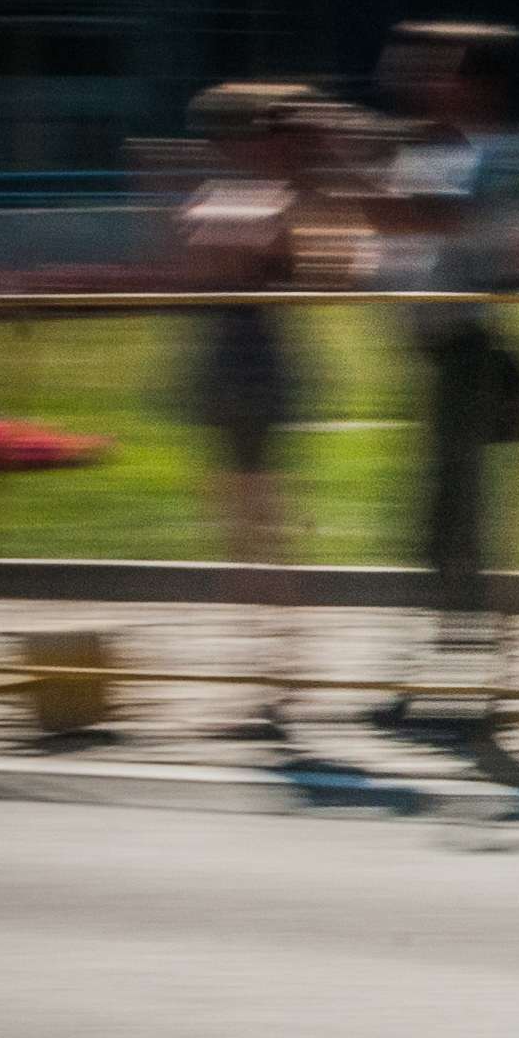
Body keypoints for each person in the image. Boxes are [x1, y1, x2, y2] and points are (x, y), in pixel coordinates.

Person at [369, 22, 519, 732]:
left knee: (463, 525)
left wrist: (338, 171)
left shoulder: (495, 154)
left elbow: (437, 221)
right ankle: (449, 679)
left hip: (475, 356)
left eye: (439, 71)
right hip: (442, 359)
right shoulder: (442, 152)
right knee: (439, 524)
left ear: (477, 81)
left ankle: (470, 686)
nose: (421, 85)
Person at [178, 82, 321, 736]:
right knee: (238, 525)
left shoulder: (289, 197)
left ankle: (283, 662)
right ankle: (264, 663)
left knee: (263, 519)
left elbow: (259, 245)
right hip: (224, 360)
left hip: (258, 362)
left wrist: (230, 226)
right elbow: (196, 249)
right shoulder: (230, 190)